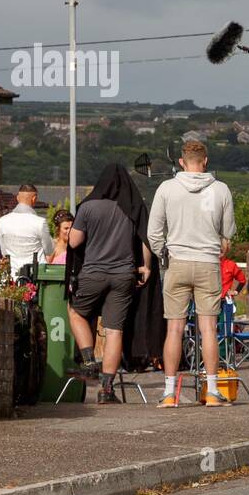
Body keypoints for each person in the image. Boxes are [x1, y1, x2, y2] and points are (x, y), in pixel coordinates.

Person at [148, 139, 236, 407]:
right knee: (209, 328)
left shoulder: (166, 188)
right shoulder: (221, 190)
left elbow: (153, 233)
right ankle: (211, 390)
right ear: (206, 161)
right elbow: (228, 232)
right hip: (208, 262)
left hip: (177, 262)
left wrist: (164, 253)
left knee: (173, 329)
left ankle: (168, 393)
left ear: (181, 162)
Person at [67, 165, 153, 404]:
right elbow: (146, 239)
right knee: (115, 330)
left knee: (76, 313)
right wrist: (145, 267)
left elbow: (74, 242)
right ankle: (106, 389)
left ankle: (88, 362)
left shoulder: (88, 207)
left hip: (93, 274)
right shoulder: (132, 208)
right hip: (124, 275)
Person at [0, 183, 54, 279]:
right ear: (34, 199)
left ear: (17, 198)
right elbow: (49, 250)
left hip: (11, 276)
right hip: (35, 276)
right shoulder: (40, 222)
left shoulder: (3, 221)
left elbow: (4, 251)